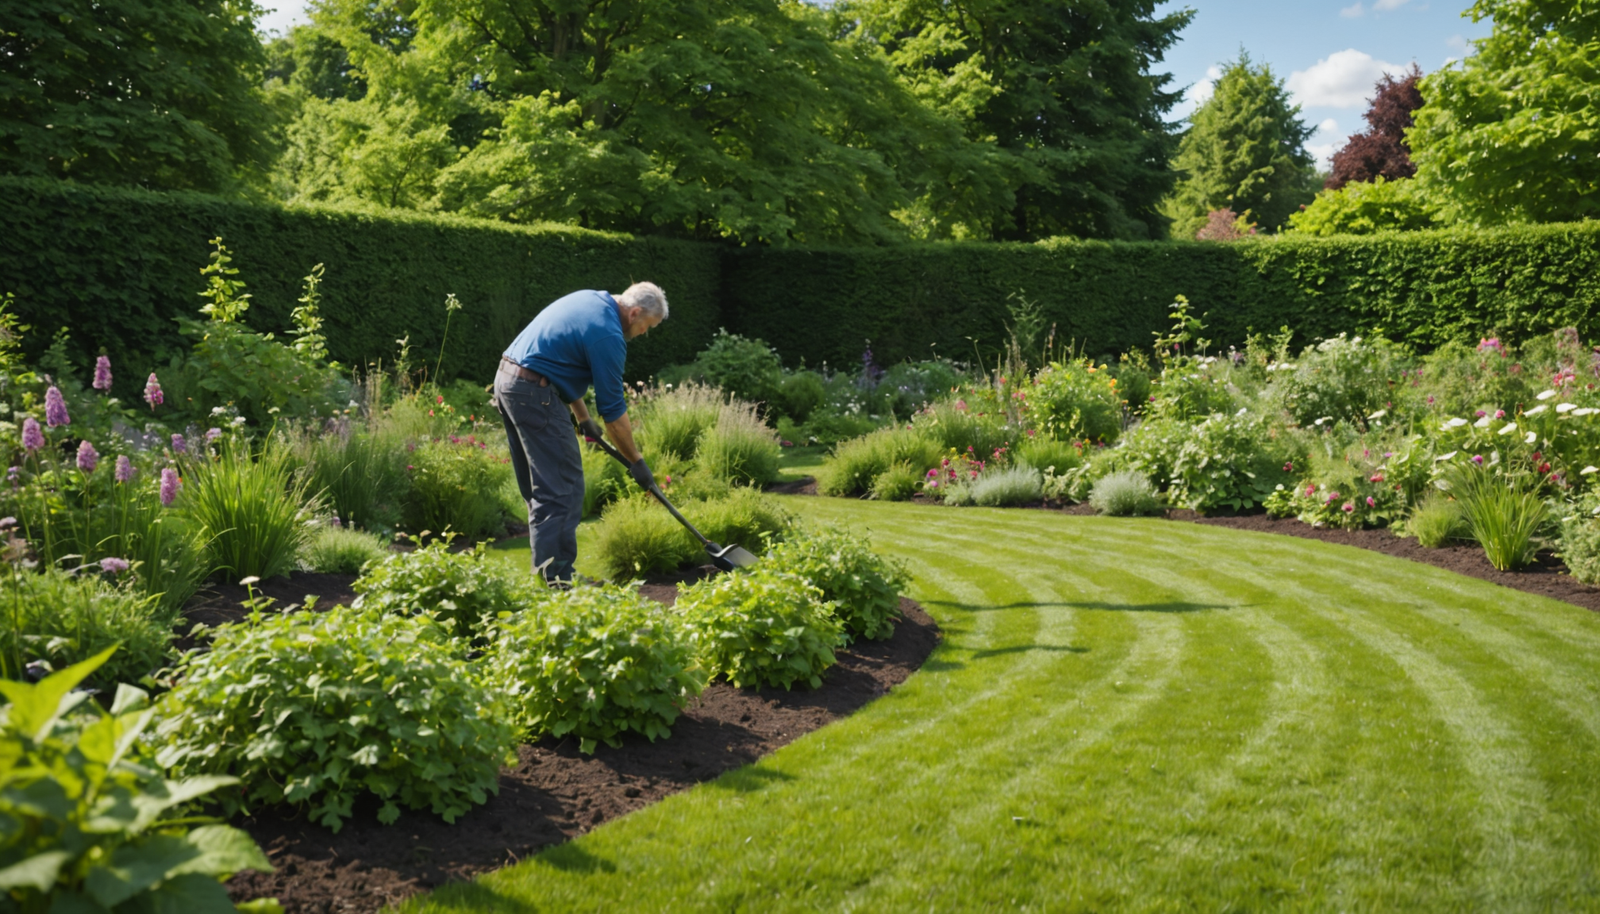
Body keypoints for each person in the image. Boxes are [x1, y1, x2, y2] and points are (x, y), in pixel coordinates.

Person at [494, 282, 666, 584]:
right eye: (646, 326)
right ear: (635, 312)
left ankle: (548, 578)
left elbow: (560, 361)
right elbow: (613, 413)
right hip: (532, 392)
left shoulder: (591, 301)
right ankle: (558, 583)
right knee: (563, 487)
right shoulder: (609, 334)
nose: (644, 333)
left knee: (540, 488)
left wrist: (582, 417)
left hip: (509, 381)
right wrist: (637, 461)